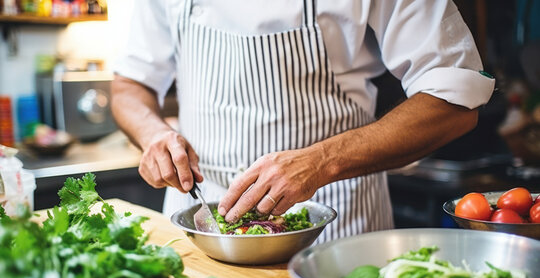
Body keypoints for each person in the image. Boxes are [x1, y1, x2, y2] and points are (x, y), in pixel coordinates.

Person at [111, 0, 495, 243]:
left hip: (332, 227)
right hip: (198, 222)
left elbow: (454, 100)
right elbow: (130, 86)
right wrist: (154, 134)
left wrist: (320, 161)